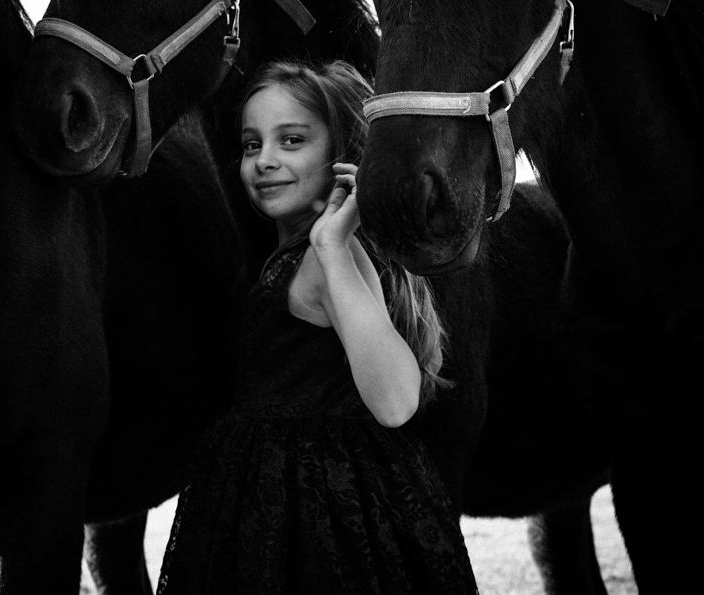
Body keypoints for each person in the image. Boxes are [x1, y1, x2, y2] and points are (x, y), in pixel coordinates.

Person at [156, 60, 478, 594]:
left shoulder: (326, 257)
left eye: (292, 140)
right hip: (280, 493)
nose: (265, 161)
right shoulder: (299, 256)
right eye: (252, 144)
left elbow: (396, 402)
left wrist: (330, 246)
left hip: (321, 507)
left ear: (338, 158)